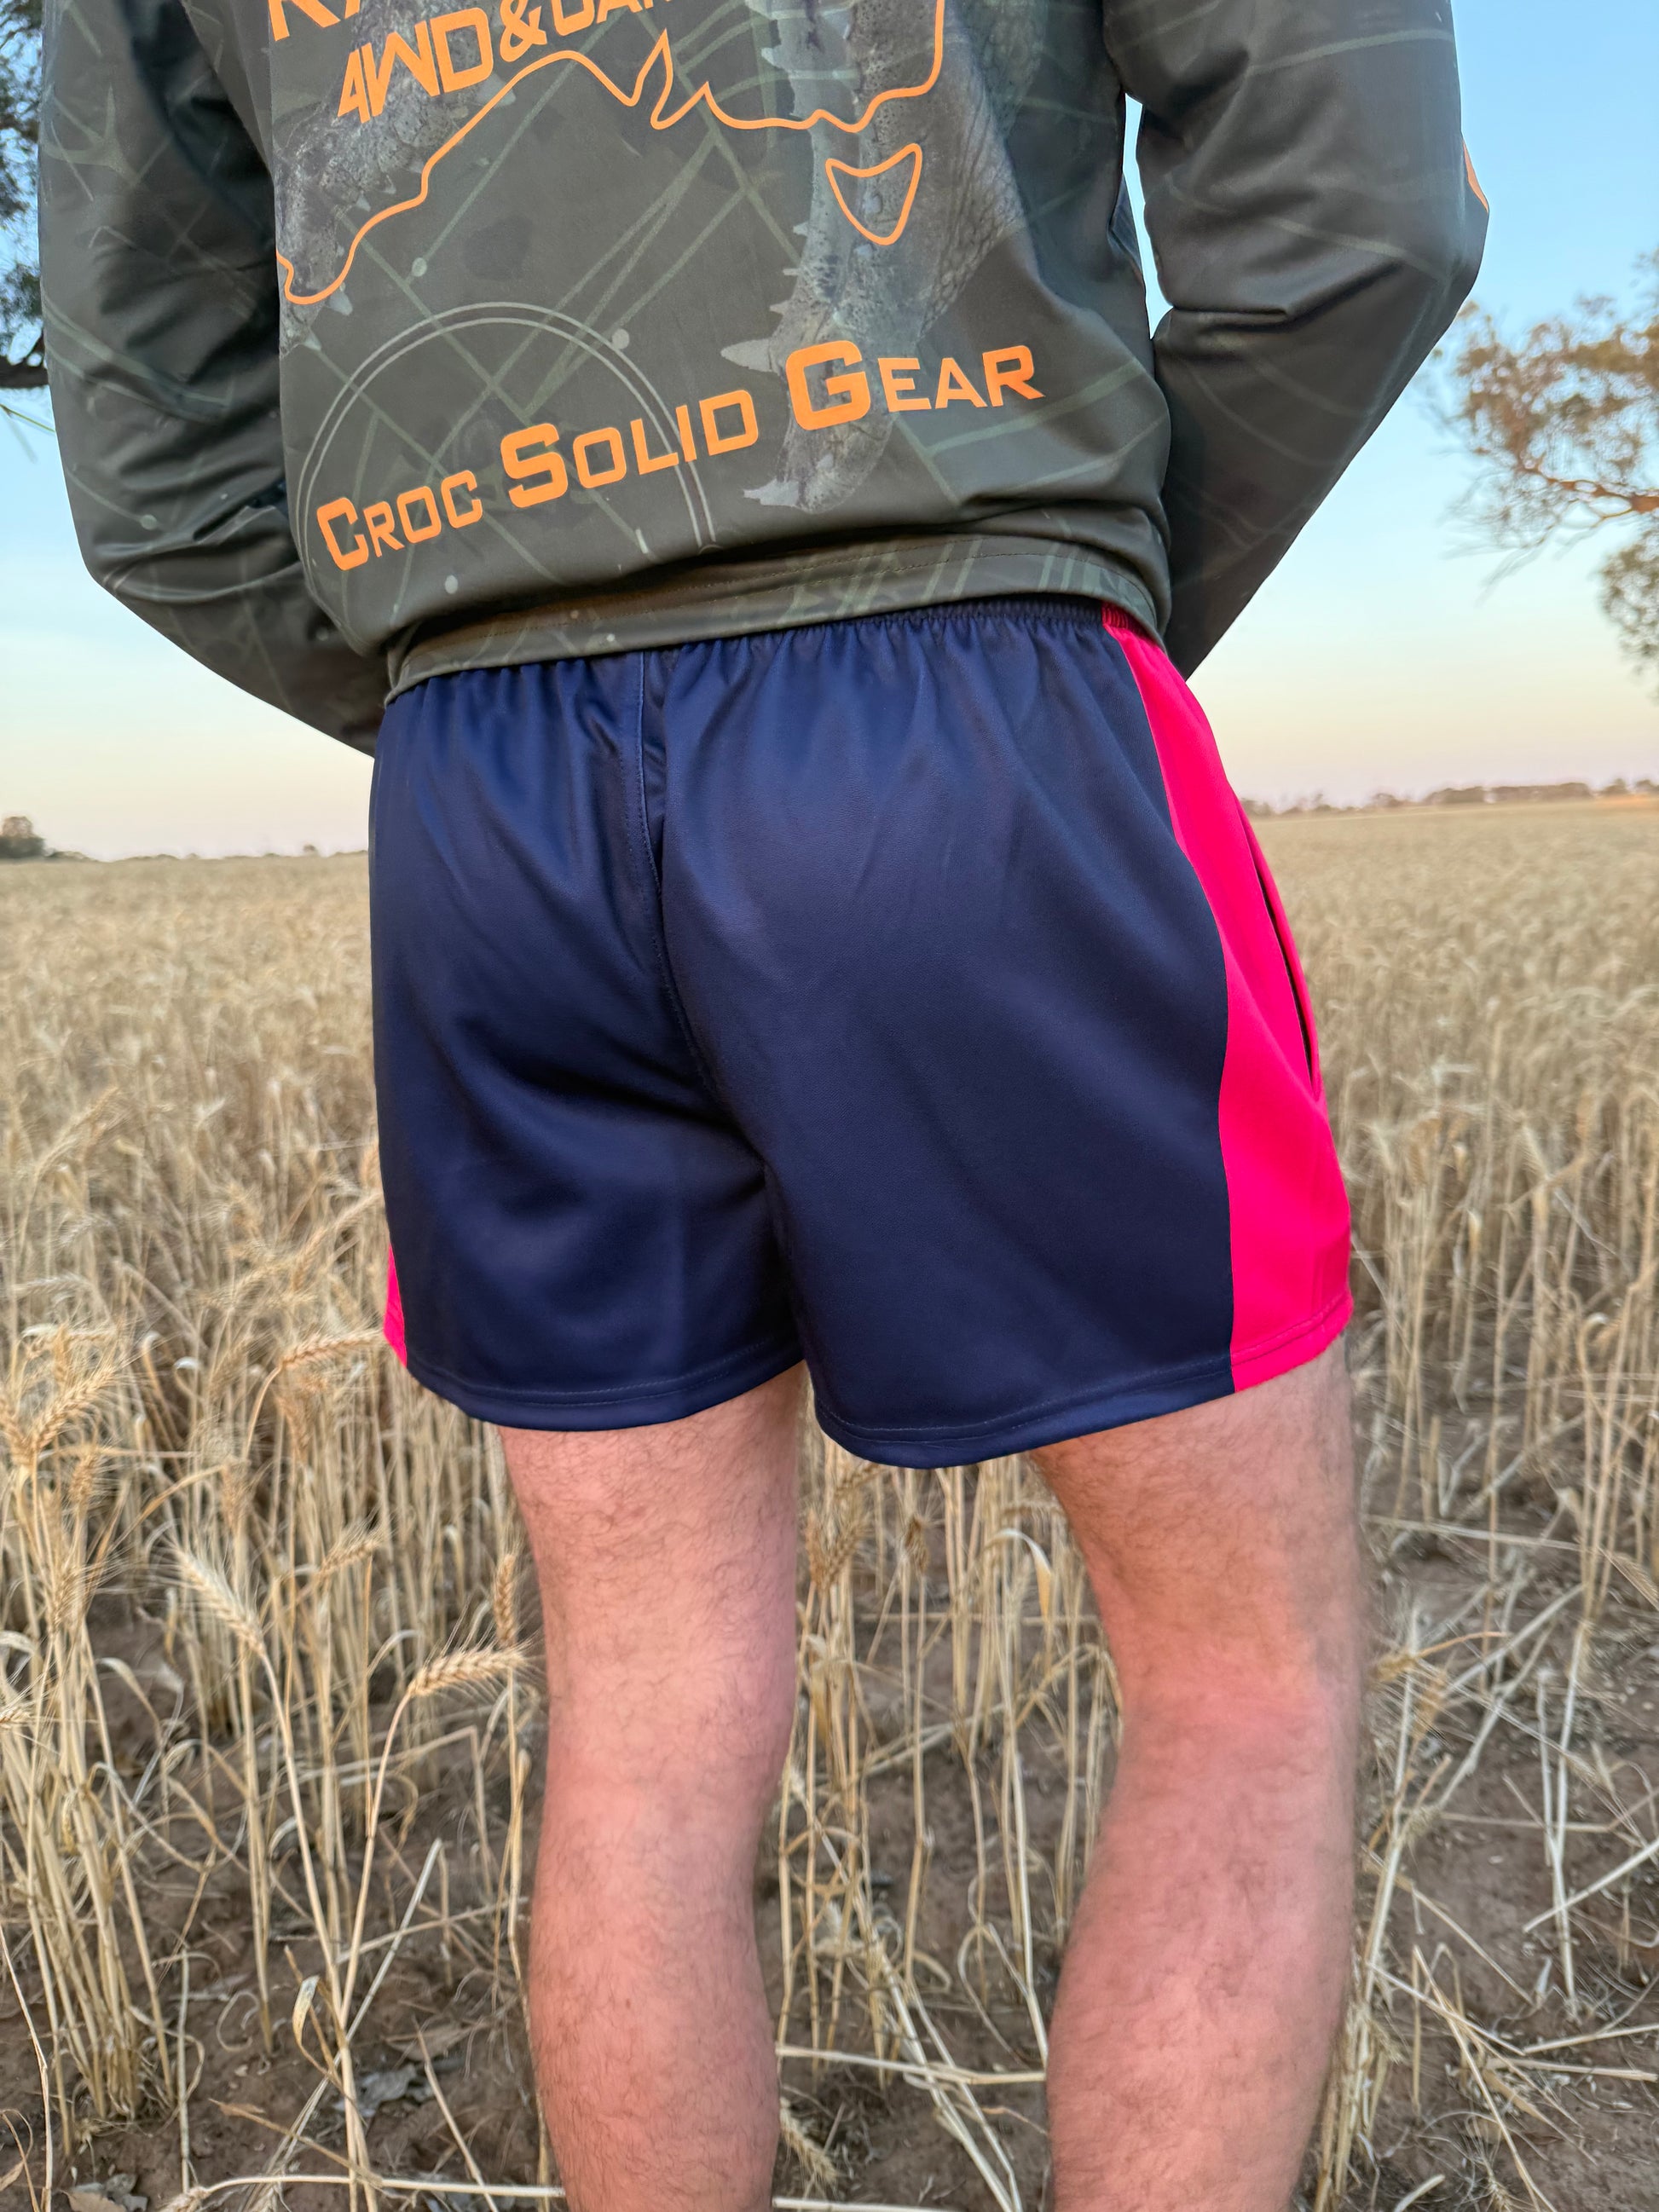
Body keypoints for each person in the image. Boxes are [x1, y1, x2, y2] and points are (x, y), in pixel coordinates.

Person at [39, 0, 1484, 2198]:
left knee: (633, 1730)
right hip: (968, 700)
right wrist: (1063, 583)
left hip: (477, 780)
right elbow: (1360, 208)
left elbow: (154, 471)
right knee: (1242, 1688)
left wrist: (473, 658)